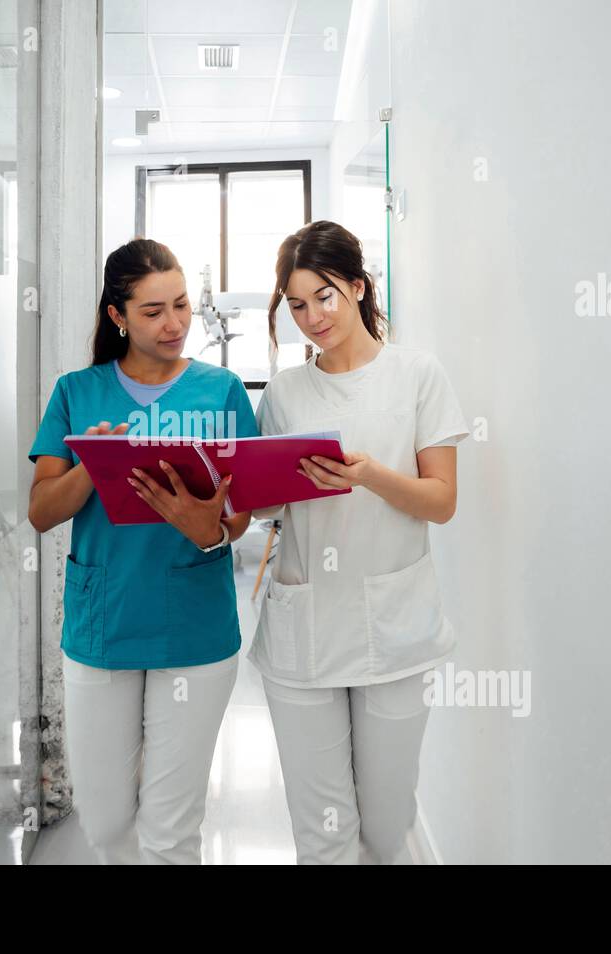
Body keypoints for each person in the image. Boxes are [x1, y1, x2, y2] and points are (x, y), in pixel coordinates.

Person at [27, 238, 258, 863]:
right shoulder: (78, 391)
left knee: (172, 829)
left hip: (196, 627)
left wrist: (211, 524)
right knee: (104, 823)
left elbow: (243, 513)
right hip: (105, 623)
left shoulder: (223, 391)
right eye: (153, 311)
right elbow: (42, 511)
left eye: (181, 305)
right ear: (117, 316)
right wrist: (93, 466)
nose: (175, 324)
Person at [250, 220, 470, 864]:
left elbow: (443, 501)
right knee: (321, 831)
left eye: (324, 296)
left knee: (386, 822)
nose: (312, 316)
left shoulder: (418, 375)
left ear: (356, 286)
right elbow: (266, 507)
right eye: (295, 304)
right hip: (304, 632)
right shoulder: (286, 392)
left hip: (395, 631)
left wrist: (369, 473)